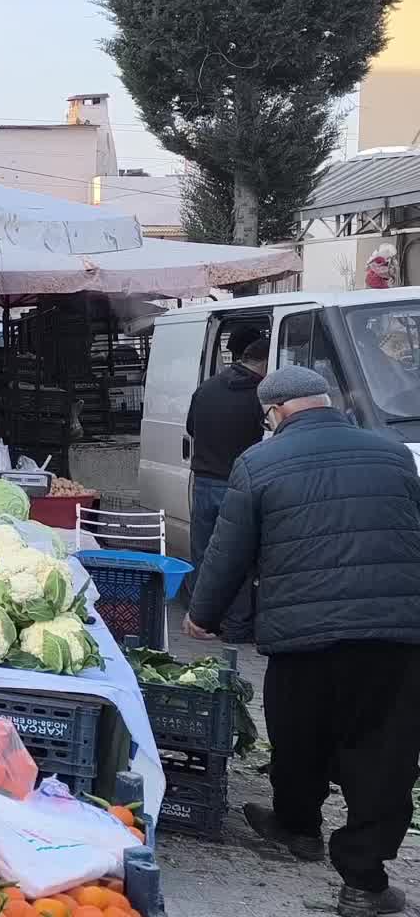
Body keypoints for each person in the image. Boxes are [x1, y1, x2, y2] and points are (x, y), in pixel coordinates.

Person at [185, 366, 420, 917]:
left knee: (297, 735)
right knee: (384, 751)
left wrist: (203, 614)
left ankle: (298, 828)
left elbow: (229, 549)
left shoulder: (259, 462)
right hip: (393, 633)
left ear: (276, 412)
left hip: (303, 636)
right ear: (326, 402)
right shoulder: (392, 453)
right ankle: (363, 881)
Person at [185, 330, 268, 635]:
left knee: (203, 552)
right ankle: (236, 624)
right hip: (239, 483)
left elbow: (191, 427)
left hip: (204, 481)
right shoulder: (260, 396)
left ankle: (201, 618)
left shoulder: (206, 388)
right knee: (239, 556)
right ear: (264, 363)